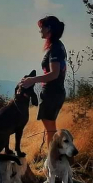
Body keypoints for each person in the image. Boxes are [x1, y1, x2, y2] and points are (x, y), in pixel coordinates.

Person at [19, 15, 67, 147]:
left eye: (41, 27)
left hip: (52, 93)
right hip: (56, 92)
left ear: (48, 29)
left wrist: (32, 80)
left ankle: (51, 161)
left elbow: (54, 74)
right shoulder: (58, 46)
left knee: (50, 130)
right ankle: (53, 159)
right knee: (51, 128)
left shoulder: (55, 48)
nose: (40, 30)